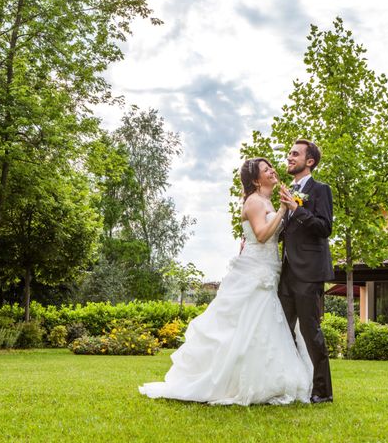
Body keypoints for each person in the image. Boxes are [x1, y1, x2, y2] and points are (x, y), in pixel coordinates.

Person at [139, 158, 312, 405]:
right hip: (254, 269)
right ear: (255, 179)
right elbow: (262, 235)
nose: (272, 170)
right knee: (247, 321)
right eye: (266, 169)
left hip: (268, 267)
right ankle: (233, 380)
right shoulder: (254, 201)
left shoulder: (266, 201)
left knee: (263, 324)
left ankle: (266, 378)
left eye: (270, 167)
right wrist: (285, 210)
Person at [279, 139, 334, 404]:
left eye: (294, 154)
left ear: (309, 161)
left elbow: (324, 228)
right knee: (281, 330)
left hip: (309, 273)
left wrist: (297, 209)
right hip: (286, 272)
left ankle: (323, 392)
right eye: (289, 153)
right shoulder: (288, 190)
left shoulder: (321, 190)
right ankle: (291, 383)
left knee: (311, 332)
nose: (289, 157)